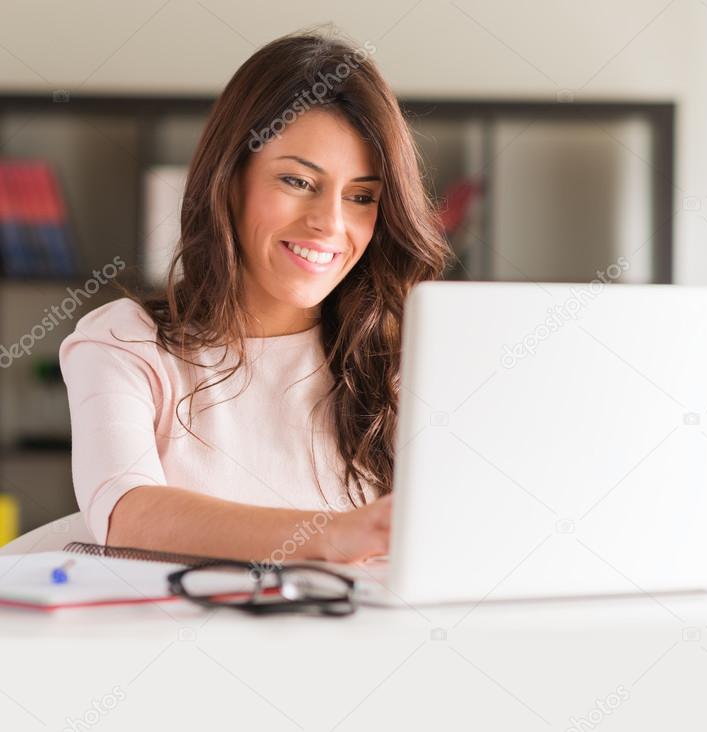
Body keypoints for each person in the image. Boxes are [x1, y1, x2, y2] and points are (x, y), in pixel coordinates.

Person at [58, 30, 451, 564]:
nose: (329, 224)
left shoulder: (404, 355)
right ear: (230, 179)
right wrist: (332, 535)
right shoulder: (125, 342)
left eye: (361, 196)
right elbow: (126, 514)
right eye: (297, 181)